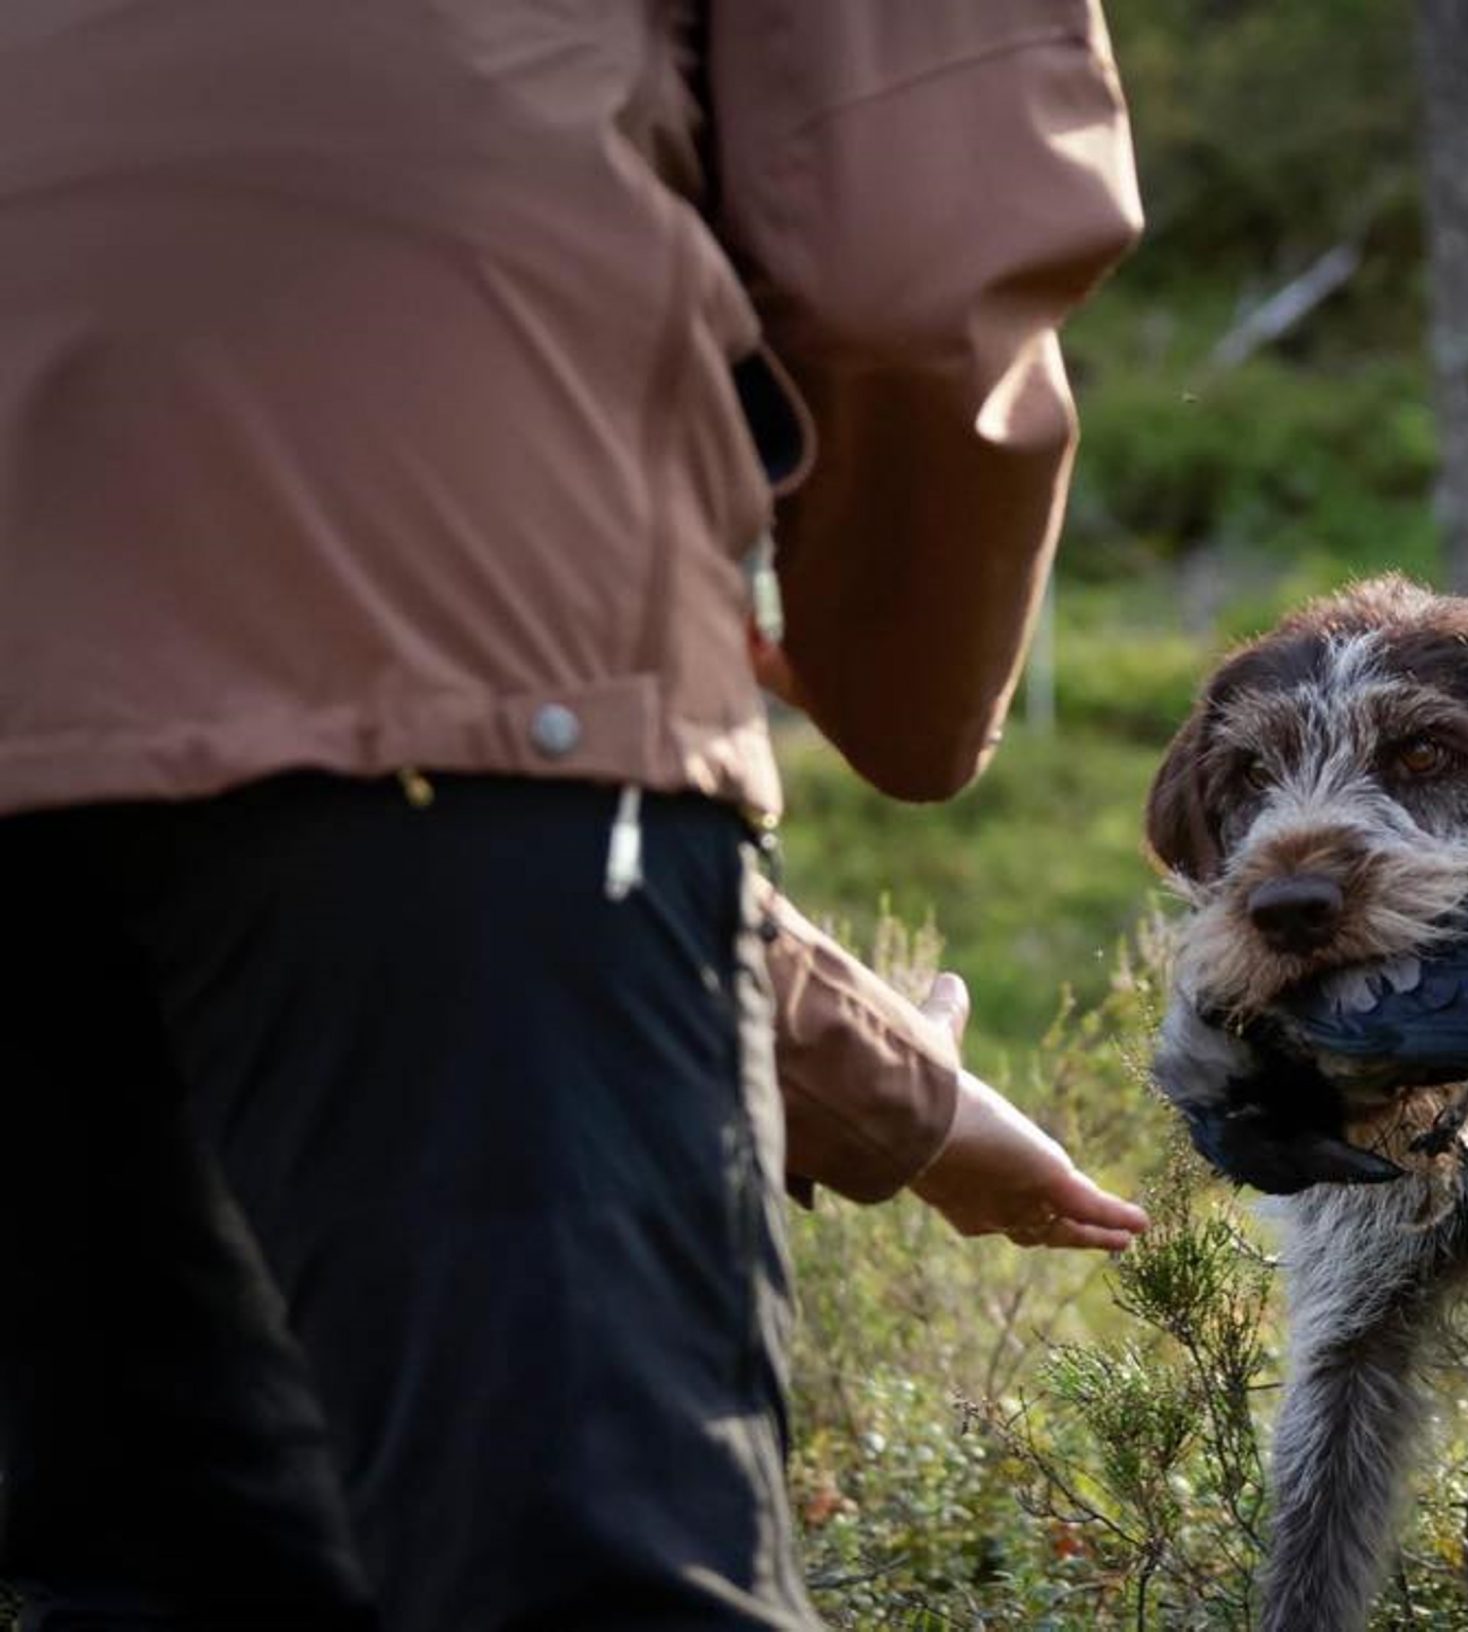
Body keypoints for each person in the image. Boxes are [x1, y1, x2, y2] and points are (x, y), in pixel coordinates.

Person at [0, 3, 1145, 1628]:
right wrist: (908, 695)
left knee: (170, 1568)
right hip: (490, 685)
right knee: (591, 1576)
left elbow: (263, 686)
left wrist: (894, 1096)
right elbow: (918, 276)